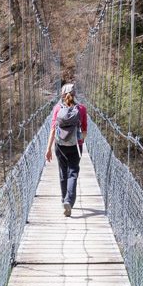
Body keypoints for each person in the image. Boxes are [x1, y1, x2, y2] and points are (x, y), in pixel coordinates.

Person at [45, 83, 88, 217]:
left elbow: (53, 129)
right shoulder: (81, 109)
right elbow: (85, 130)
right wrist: (80, 141)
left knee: (63, 172)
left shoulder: (57, 108)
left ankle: (64, 200)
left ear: (62, 95)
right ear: (75, 94)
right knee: (73, 173)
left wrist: (48, 149)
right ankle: (69, 200)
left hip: (59, 146)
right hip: (75, 146)